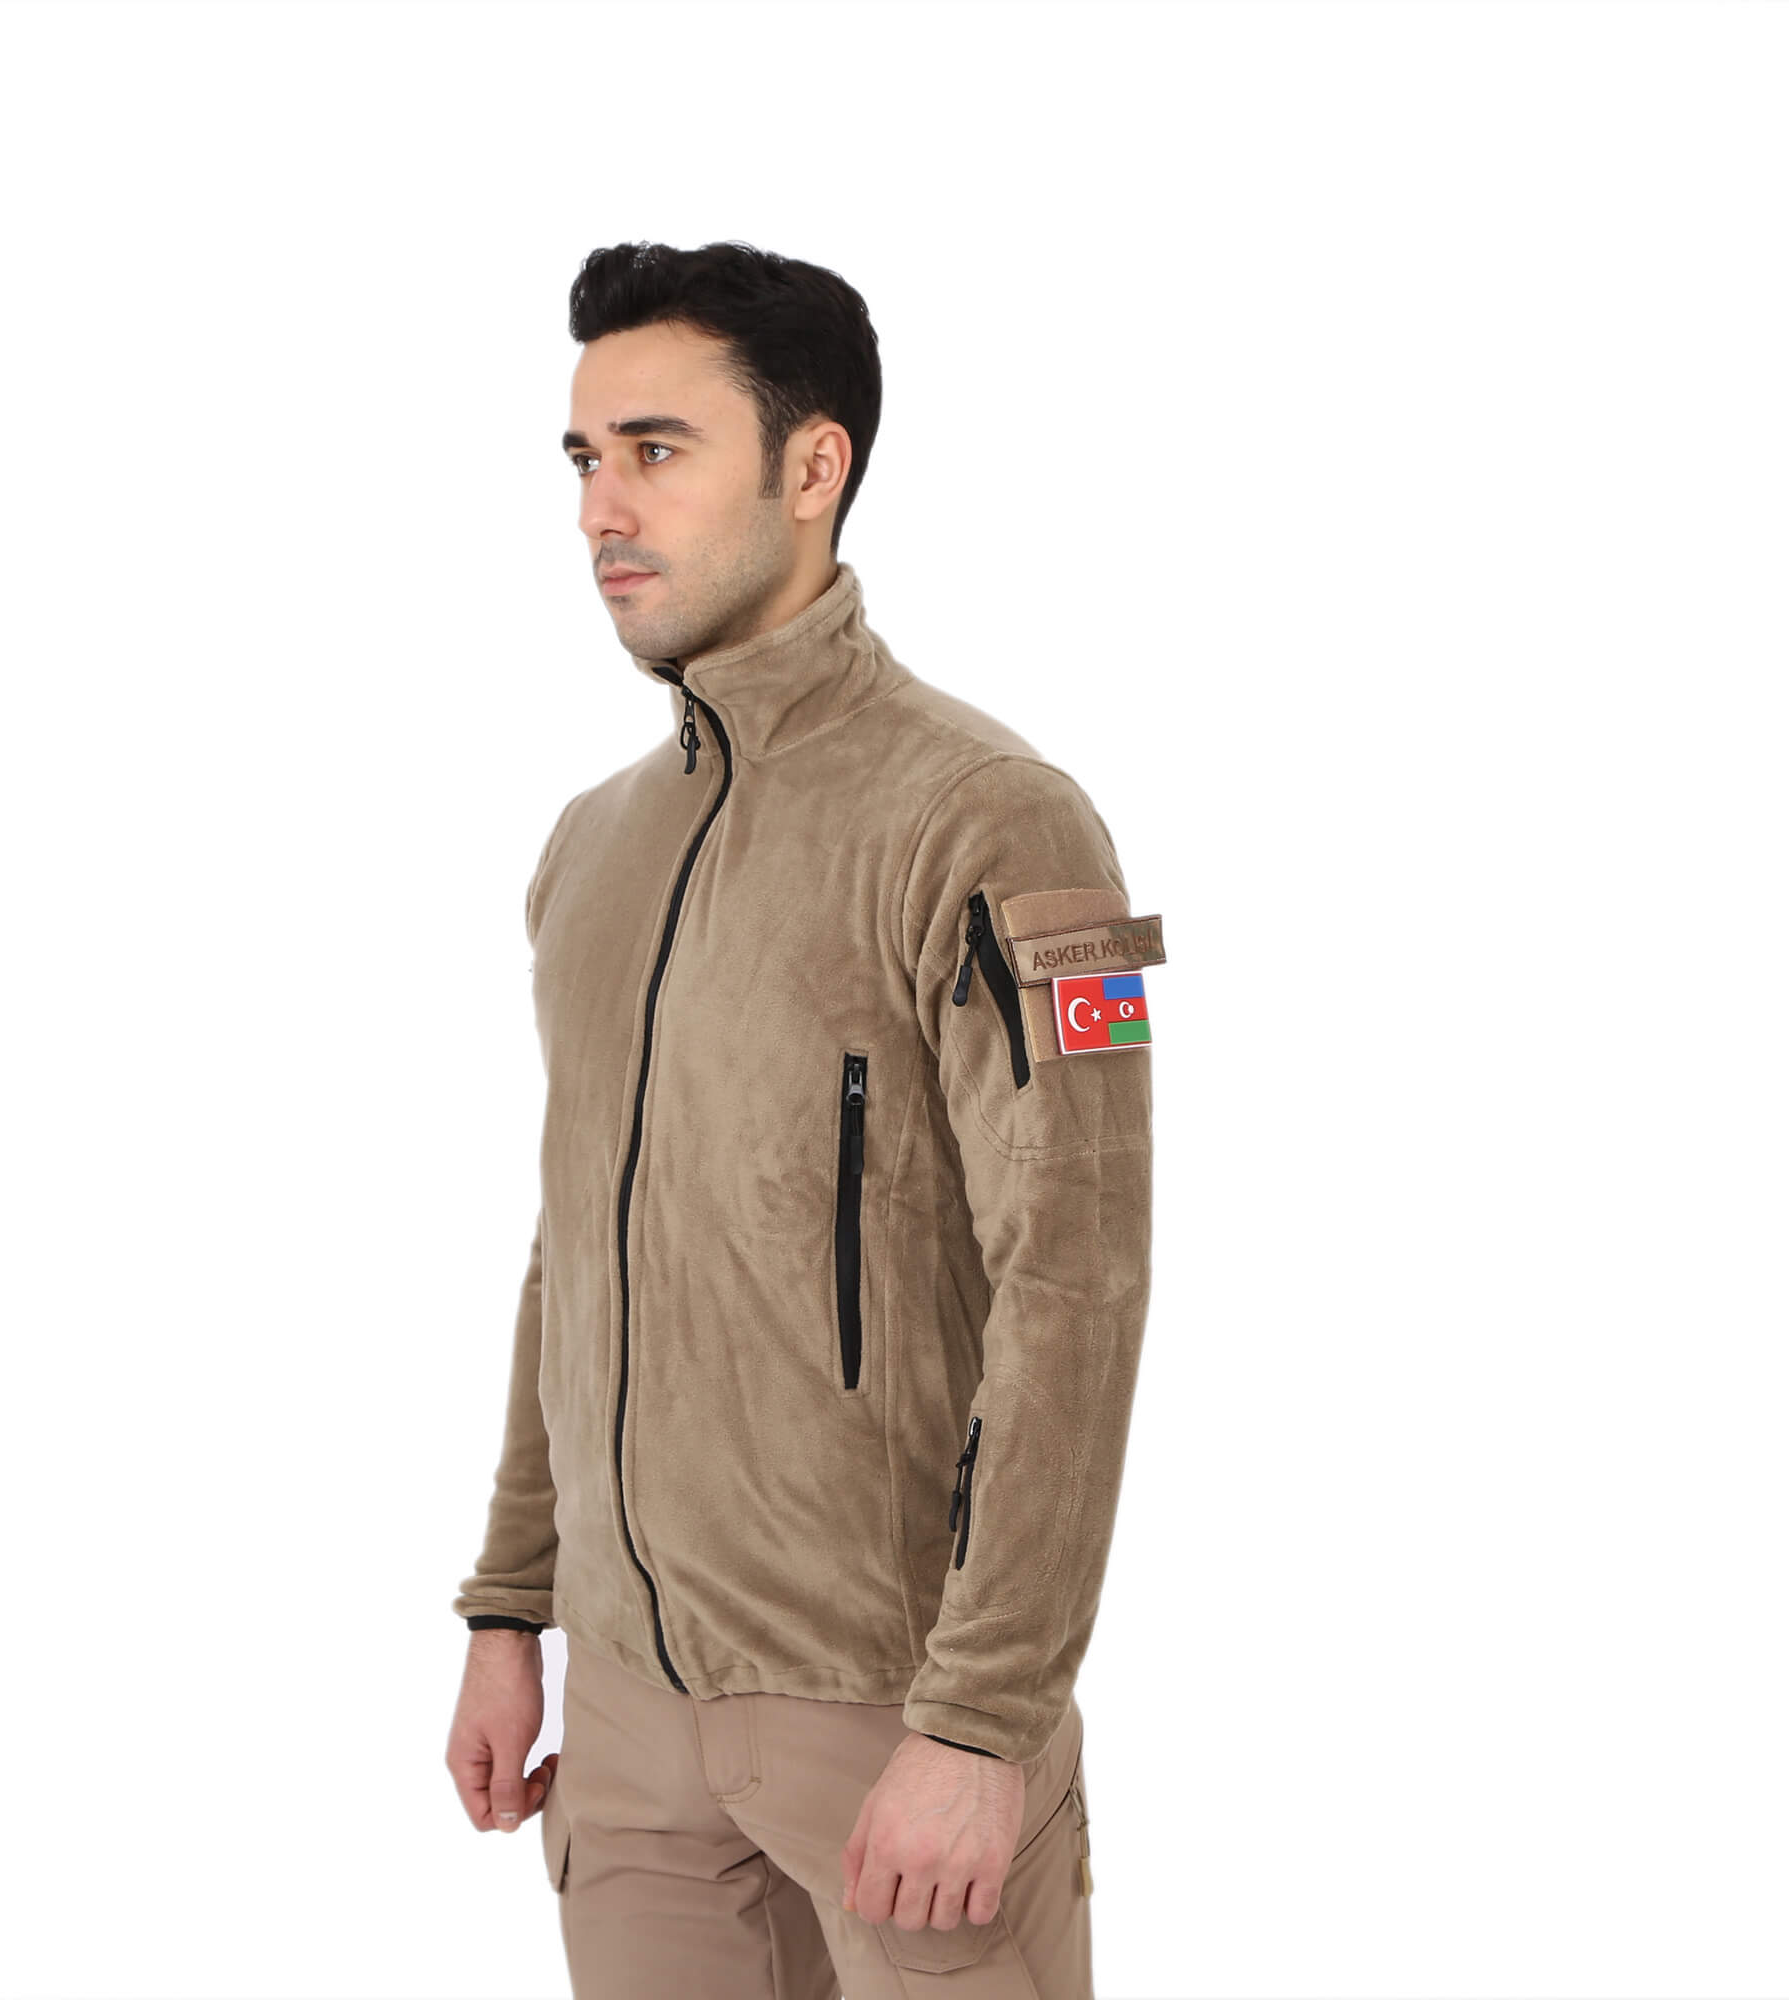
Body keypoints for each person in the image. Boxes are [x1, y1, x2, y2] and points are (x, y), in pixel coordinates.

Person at [444, 239, 1161, 1996]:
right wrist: (512, 1605)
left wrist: (985, 1720)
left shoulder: (997, 819)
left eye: (658, 450)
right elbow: (573, 1247)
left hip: (891, 1713)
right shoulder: (590, 847)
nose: (602, 509)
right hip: (628, 1730)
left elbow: (1078, 1278)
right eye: (584, 457)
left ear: (813, 464)